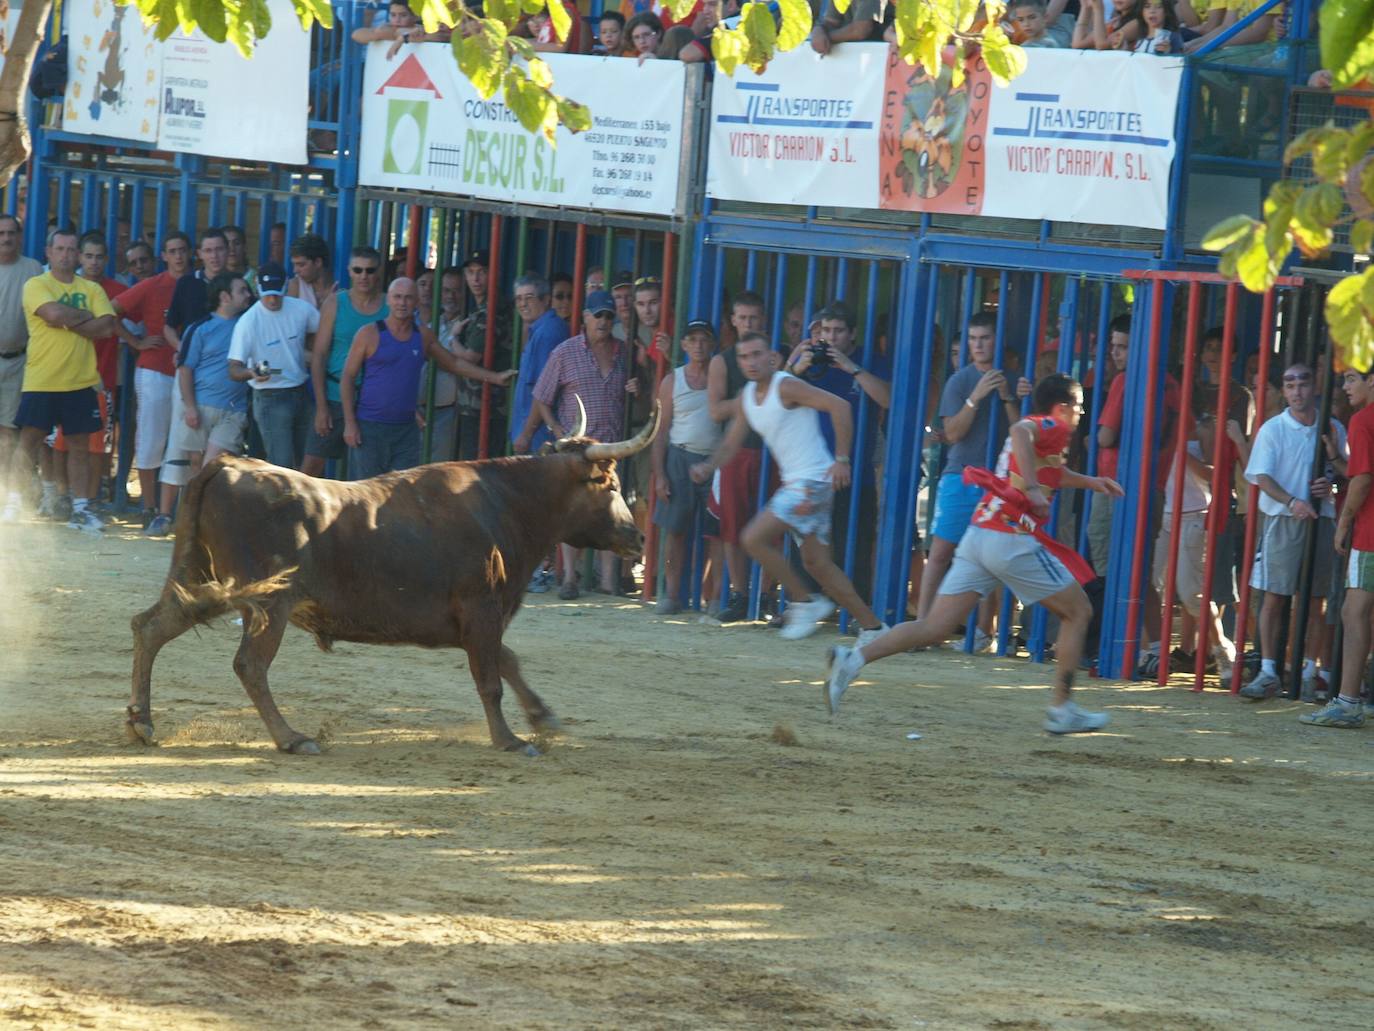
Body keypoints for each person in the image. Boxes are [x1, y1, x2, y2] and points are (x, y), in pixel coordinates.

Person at [826, 374, 1124, 733]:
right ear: (1063, 408)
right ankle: (1062, 708)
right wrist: (1031, 489)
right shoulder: (1050, 425)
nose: (1080, 416)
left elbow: (1051, 471)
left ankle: (853, 659)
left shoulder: (1044, 439)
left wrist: (1089, 482)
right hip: (1010, 539)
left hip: (979, 534)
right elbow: (1021, 432)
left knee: (933, 626)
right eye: (1078, 408)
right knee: (1079, 612)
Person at [689, 332, 886, 641]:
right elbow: (730, 444)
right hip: (802, 483)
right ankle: (874, 627)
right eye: (744, 356)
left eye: (756, 354)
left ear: (772, 357)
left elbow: (840, 407)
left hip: (811, 483)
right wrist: (708, 467)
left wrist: (842, 459)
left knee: (752, 538)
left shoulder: (787, 385)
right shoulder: (747, 397)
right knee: (818, 564)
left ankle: (806, 603)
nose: (750, 362)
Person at [1, 228, 126, 533]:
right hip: (42, 379)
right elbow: (52, 312)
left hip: (81, 380)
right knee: (28, 442)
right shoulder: (35, 284)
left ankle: (80, 510)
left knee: (79, 447)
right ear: (49, 252)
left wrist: (68, 320)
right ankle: (13, 504)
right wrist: (83, 318)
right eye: (60, 249)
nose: (66, 255)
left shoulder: (92, 288)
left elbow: (108, 326)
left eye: (72, 250)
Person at [1240, 363, 1348, 702]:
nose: (1297, 390)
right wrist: (1292, 501)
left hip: (1322, 517)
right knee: (1274, 594)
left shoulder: (1332, 427)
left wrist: (1328, 484)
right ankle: (1270, 670)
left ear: (1313, 386)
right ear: (1284, 391)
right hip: (1284, 519)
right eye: (1290, 384)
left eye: (1302, 383)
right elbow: (1261, 476)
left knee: (1316, 600)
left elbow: (1346, 471)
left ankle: (1307, 671)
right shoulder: (1273, 429)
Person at [341, 278, 514, 479]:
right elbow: (348, 377)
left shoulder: (422, 335)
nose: (402, 303)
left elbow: (454, 364)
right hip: (370, 427)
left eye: (408, 298)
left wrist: (495, 378)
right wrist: (350, 423)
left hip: (406, 430)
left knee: (403, 493)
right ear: (388, 299)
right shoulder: (369, 333)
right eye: (397, 297)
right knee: (365, 493)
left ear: (416, 302)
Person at [919, 313, 1030, 628]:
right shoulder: (959, 380)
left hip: (999, 482)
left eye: (984, 338)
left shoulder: (1015, 378)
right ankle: (922, 624)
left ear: (997, 340)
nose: (977, 345)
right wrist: (976, 397)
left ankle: (984, 632)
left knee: (990, 559)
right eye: (973, 338)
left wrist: (1008, 396)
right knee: (940, 552)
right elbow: (952, 434)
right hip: (961, 476)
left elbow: (1021, 433)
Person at [784, 303, 892, 605]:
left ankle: (854, 612)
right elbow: (778, 399)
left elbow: (887, 398)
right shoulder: (808, 361)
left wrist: (851, 367)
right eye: (826, 330)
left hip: (855, 472)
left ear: (852, 333)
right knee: (804, 542)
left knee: (854, 543)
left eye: (838, 331)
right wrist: (796, 368)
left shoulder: (869, 360)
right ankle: (803, 605)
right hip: (809, 470)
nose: (831, 338)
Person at [533, 290, 638, 599]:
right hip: (577, 451)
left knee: (611, 511)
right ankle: (568, 579)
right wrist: (556, 430)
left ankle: (607, 583)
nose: (604, 321)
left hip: (612, 451)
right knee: (571, 512)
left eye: (609, 316)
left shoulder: (624, 353)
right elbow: (541, 397)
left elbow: (639, 394)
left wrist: (638, 387)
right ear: (585, 318)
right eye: (598, 315)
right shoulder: (565, 352)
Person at [1304, 365, 1374, 727]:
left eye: (1352, 379)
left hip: (1371, 532)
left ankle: (1347, 701)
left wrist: (1343, 523)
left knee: (1353, 610)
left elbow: (1362, 480)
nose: (1345, 387)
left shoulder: (1364, 420)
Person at [113, 232, 191, 525]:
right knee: (150, 440)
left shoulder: (197, 284)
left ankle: (172, 510)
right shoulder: (152, 285)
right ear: (164, 255)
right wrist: (136, 342)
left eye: (183, 250)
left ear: (190, 253)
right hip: (155, 370)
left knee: (183, 443)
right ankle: (148, 507)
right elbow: (111, 311)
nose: (179, 256)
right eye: (173, 251)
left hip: (187, 373)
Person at [163, 273, 254, 506]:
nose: (249, 295)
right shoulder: (200, 328)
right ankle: (193, 523)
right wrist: (191, 407)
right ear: (225, 297)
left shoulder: (250, 323)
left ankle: (197, 521)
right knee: (197, 467)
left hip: (234, 411)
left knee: (211, 469)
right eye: (242, 290)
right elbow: (185, 370)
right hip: (201, 407)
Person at [652, 319, 722, 615]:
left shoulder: (722, 380)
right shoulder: (672, 380)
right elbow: (660, 430)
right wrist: (660, 475)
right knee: (675, 532)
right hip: (679, 458)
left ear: (713, 344)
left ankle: (711, 597)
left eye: (704, 339)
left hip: (714, 460)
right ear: (683, 345)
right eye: (692, 339)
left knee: (714, 533)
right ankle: (671, 594)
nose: (698, 345)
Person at [706, 291, 769, 622]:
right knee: (732, 527)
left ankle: (768, 596)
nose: (747, 324)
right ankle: (741, 593)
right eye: (742, 318)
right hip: (736, 451)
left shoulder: (775, 358)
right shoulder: (722, 361)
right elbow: (715, 411)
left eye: (753, 318)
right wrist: (753, 397)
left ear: (763, 320)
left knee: (771, 526)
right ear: (732, 320)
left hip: (773, 450)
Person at [303, 246, 388, 477]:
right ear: (349, 271)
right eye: (358, 270)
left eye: (369, 271)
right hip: (333, 397)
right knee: (310, 470)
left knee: (367, 476)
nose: (364, 276)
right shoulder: (335, 303)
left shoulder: (390, 305)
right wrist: (321, 407)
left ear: (378, 272)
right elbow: (319, 355)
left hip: (370, 401)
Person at [226, 262, 319, 470]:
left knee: (306, 463)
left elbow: (322, 333)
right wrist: (251, 373)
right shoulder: (248, 322)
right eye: (267, 294)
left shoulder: (302, 309)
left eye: (277, 293)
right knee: (282, 466)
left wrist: (313, 354)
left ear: (286, 287)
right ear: (258, 289)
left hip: (300, 392)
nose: (272, 299)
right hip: (270, 396)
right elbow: (233, 368)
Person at [451, 249, 513, 459]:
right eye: (471, 272)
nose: (475, 279)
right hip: (481, 405)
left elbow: (470, 357)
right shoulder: (485, 309)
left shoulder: (489, 312)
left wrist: (453, 339)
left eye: (482, 272)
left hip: (485, 406)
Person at [0, 215, 44, 497]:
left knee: (6, 433)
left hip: (18, 360)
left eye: (11, 233)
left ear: (20, 235)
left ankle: (3, 493)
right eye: (1, 233)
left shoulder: (33, 269)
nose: (6, 238)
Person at [510, 272, 571, 455]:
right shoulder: (539, 330)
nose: (523, 304)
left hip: (539, 437)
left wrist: (527, 434)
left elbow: (544, 390)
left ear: (546, 300)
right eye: (519, 299)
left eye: (529, 298)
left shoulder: (548, 333)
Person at [811, 0, 887, 54]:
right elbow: (830, 22)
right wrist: (818, 30)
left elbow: (860, 30)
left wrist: (825, 38)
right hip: (851, 58)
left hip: (876, 57)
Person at [286, 233, 336, 310]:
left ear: (318, 262)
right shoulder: (296, 286)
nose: (295, 271)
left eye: (301, 265)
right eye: (294, 265)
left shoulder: (338, 288)